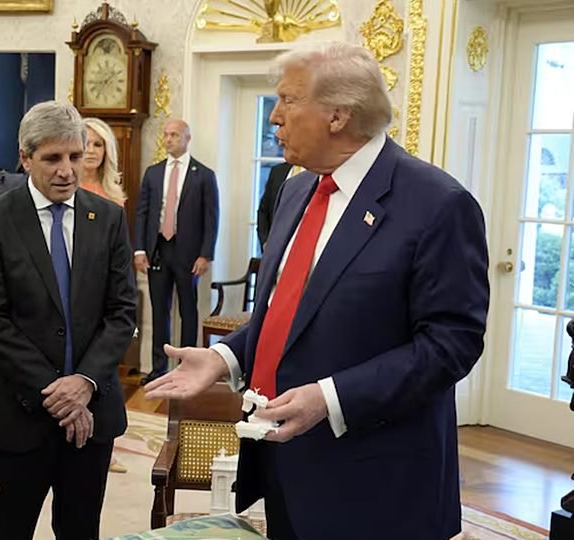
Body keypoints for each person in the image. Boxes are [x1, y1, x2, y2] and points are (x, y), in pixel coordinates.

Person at [145, 41, 489, 540]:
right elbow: (288, 314)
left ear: (338, 115)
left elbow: (451, 344)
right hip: (286, 466)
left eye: (287, 101)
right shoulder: (296, 188)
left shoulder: (438, 204)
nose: (274, 119)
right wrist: (225, 358)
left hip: (379, 484)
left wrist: (330, 398)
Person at [0, 101, 137, 540]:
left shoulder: (109, 219)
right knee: (11, 530)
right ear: (25, 158)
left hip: (93, 414)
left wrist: (84, 383)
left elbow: (121, 314)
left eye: (75, 157)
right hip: (19, 417)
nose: (67, 171)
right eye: (52, 159)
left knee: (81, 531)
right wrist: (57, 394)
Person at [133, 119, 219, 385]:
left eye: (174, 135)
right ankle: (158, 367)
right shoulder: (153, 172)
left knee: (188, 311)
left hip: (189, 253)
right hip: (158, 249)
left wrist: (205, 254)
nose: (168, 139)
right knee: (159, 310)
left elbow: (211, 217)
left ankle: (188, 367)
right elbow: (143, 213)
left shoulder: (203, 174)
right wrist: (139, 250)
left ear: (187, 138)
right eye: (166, 135)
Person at [82, 116, 129, 474]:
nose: (90, 150)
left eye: (98, 144)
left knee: (99, 373)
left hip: (104, 307)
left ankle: (102, 441)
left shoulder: (113, 198)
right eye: (85, 142)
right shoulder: (60, 189)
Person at [256, 161, 297, 250]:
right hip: (274, 252)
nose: (280, 145)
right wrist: (265, 242)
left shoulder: (318, 175)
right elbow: (264, 211)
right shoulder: (277, 171)